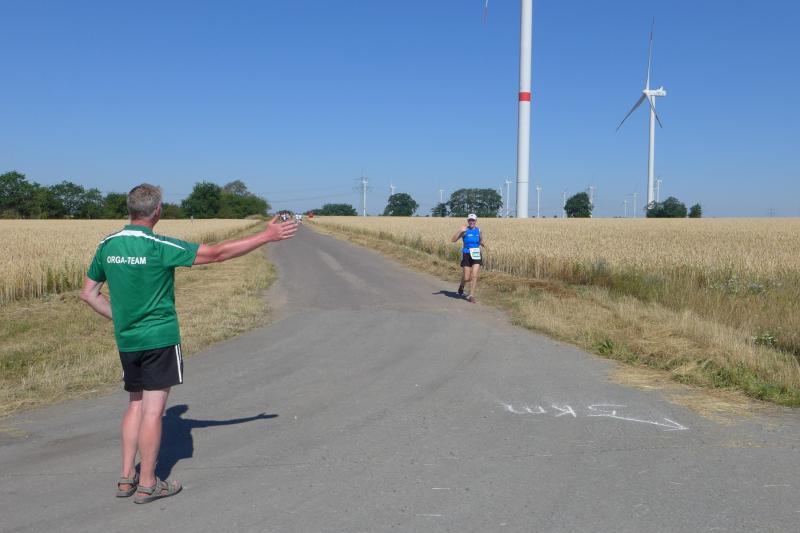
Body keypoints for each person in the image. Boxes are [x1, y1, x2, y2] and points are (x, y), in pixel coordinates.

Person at [79, 184, 297, 504]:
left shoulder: (107, 245)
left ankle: (126, 478)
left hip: (128, 340)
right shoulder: (159, 245)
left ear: (130, 209)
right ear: (157, 211)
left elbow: (88, 294)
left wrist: (122, 318)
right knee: (153, 411)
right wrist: (266, 236)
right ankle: (148, 483)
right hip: (159, 339)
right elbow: (217, 254)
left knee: (135, 404)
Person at [451, 213, 488, 303]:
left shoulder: (479, 230)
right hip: (466, 254)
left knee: (474, 275)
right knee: (467, 277)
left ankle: (471, 295)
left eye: (473, 220)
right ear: (468, 221)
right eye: (470, 220)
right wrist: (460, 231)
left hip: (476, 254)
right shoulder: (465, 231)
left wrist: (487, 247)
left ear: (476, 221)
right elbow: (453, 240)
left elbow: (481, 241)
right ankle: (462, 285)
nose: (471, 222)